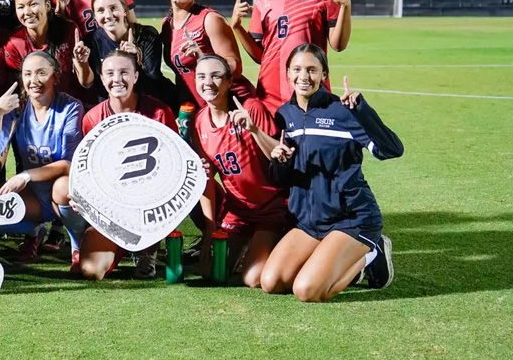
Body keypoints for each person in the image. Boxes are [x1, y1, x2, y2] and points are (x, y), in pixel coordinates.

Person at [259, 45, 400, 301]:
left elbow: (391, 150)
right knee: (271, 282)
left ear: (324, 74)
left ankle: (373, 251)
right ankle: (339, 260)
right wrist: (279, 161)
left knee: (307, 291)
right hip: (309, 223)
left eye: (312, 70)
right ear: (288, 73)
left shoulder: (343, 111)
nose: (304, 76)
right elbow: (281, 178)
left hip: (351, 218)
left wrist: (362, 111)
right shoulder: (284, 116)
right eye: (298, 69)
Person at [188, 55, 290, 288]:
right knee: (211, 272)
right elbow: (206, 181)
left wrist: (253, 129)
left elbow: (281, 156)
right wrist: (209, 230)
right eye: (202, 76)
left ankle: (282, 242)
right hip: (238, 212)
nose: (208, 82)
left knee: (253, 278)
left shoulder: (251, 108)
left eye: (216, 76)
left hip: (271, 208)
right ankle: (252, 249)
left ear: (229, 82)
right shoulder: (199, 122)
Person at [0, 52, 88, 272]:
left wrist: (25, 175)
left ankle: (79, 245)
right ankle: (35, 230)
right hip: (35, 196)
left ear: (55, 77)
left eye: (42, 73)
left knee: (62, 186)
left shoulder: (70, 108)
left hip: (66, 192)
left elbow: (69, 163)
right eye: (28, 74)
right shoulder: (17, 109)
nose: (34, 80)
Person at [76, 51, 179, 281]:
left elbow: (173, 165)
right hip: (112, 207)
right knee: (91, 271)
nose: (117, 79)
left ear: (136, 76)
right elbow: (88, 169)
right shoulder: (92, 118)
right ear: (102, 79)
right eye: (110, 73)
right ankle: (117, 245)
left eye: (124, 72)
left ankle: (148, 252)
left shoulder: (159, 112)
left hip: (148, 202)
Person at [230, 0, 353, 113]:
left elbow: (338, 45)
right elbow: (259, 57)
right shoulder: (264, 2)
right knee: (274, 140)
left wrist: (345, 4)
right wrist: (237, 27)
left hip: (309, 87)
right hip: (270, 91)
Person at [160, 0, 255, 107]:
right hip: (201, 107)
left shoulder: (210, 19)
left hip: (233, 104)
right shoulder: (166, 24)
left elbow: (235, 67)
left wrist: (203, 59)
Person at [77, 0, 176, 108]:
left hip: (153, 104)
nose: (108, 15)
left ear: (125, 10)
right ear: (95, 16)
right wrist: (82, 63)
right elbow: (93, 86)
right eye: (101, 11)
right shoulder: (91, 41)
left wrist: (135, 61)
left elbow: (153, 82)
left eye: (113, 8)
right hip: (114, 107)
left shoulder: (146, 35)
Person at [4, 0, 88, 101]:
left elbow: (86, 83)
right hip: (35, 109)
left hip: (70, 106)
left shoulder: (68, 30)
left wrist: (83, 63)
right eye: (21, 7)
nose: (27, 12)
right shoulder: (14, 43)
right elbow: (17, 89)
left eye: (33, 4)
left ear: (47, 6)